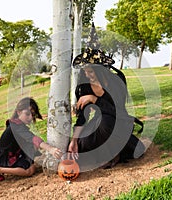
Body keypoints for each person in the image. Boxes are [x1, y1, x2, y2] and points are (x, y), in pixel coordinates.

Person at [67, 23, 145, 171]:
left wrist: (95, 100)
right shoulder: (84, 87)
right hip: (99, 127)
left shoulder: (117, 81)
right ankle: (105, 154)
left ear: (101, 70)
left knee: (108, 123)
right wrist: (74, 140)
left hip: (118, 123)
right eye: (85, 72)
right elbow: (83, 118)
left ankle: (113, 155)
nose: (87, 75)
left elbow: (118, 111)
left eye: (91, 72)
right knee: (79, 147)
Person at [0, 97, 63, 182]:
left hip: (8, 151)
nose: (30, 117)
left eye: (33, 115)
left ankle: (7, 166)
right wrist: (50, 149)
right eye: (27, 114)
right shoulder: (16, 127)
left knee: (33, 150)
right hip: (1, 156)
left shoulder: (16, 123)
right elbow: (33, 138)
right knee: (30, 170)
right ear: (18, 112)